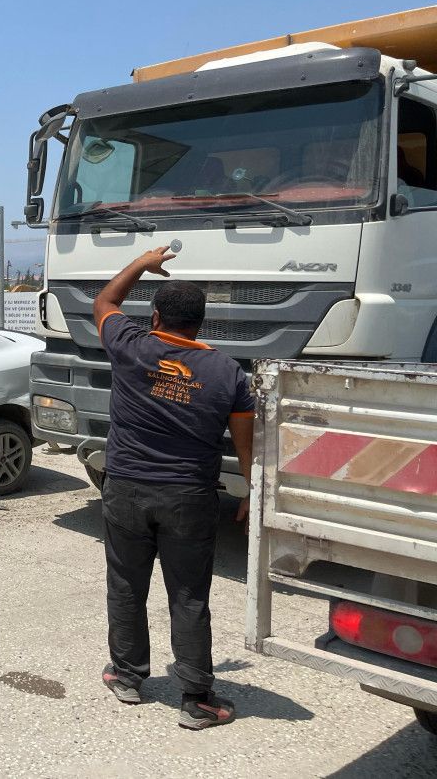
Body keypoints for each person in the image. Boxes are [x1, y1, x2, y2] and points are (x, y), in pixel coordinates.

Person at [92, 247, 253, 731]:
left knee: (126, 584)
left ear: (156, 317)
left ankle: (126, 676)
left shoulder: (131, 345)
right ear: (201, 324)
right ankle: (197, 700)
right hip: (188, 497)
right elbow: (246, 444)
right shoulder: (228, 373)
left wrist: (142, 264)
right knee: (188, 595)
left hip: (125, 488)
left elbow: (105, 302)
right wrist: (251, 490)